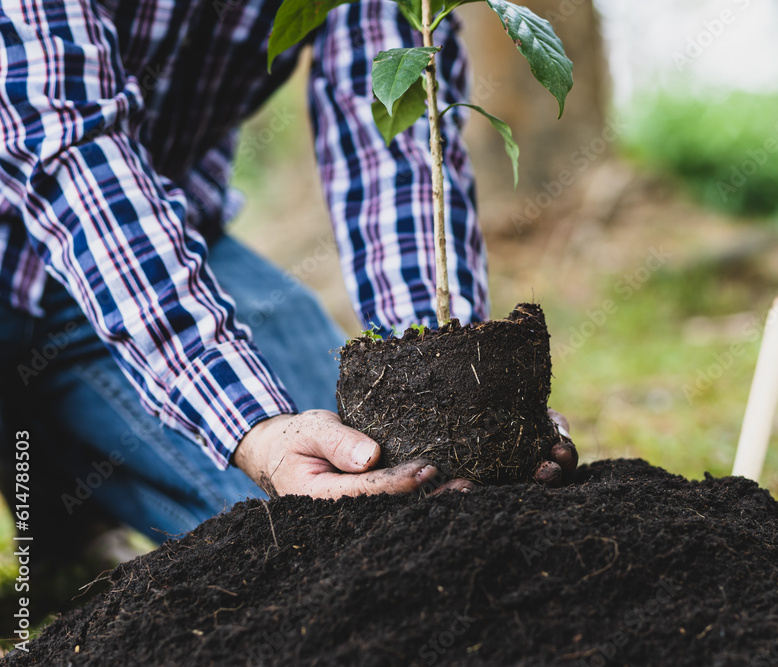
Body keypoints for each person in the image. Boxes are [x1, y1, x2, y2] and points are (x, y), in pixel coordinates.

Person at [0, 0, 577, 569]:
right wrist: (249, 424)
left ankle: (56, 494)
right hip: (40, 242)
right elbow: (67, 147)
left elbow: (392, 128)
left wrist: (452, 392)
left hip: (169, 242)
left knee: (349, 505)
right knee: (278, 480)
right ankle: (43, 478)